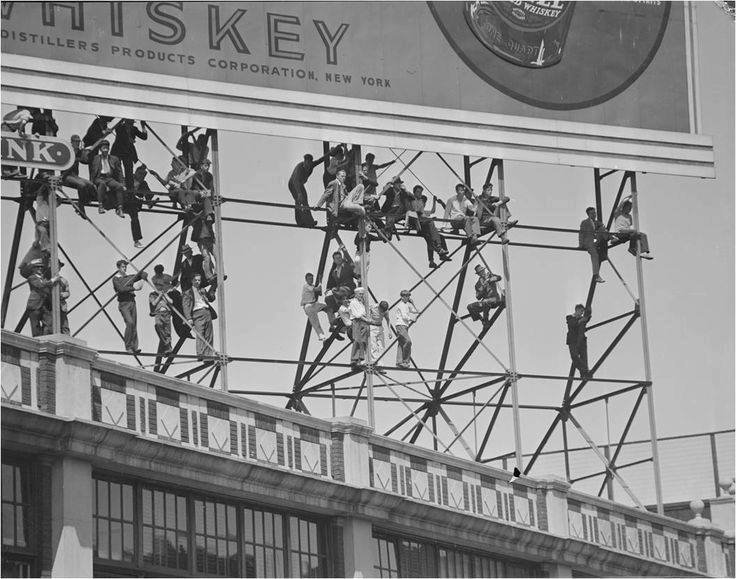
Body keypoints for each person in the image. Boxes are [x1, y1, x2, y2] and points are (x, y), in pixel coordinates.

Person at [406, 185, 450, 267]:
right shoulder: (412, 201)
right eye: (418, 192)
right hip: (419, 224)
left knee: (438, 237)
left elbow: (430, 211)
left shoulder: (421, 204)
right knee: (431, 226)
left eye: (421, 192)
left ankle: (438, 256)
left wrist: (434, 201)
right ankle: (439, 249)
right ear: (414, 192)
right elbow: (415, 212)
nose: (419, 194)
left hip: (425, 226)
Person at [112, 259, 147, 354]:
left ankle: (134, 347)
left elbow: (143, 273)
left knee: (134, 324)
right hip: (124, 304)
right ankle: (128, 346)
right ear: (118, 268)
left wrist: (143, 279)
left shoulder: (129, 277)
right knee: (130, 322)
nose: (125, 268)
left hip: (132, 302)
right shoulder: (116, 279)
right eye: (123, 267)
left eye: (126, 266)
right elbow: (121, 289)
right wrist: (134, 288)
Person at [183, 273, 216, 361]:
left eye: (199, 280)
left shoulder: (202, 290)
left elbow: (211, 298)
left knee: (209, 334)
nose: (197, 282)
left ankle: (208, 356)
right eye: (195, 280)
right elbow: (186, 306)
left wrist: (209, 292)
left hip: (206, 311)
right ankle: (200, 353)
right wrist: (189, 318)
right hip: (197, 312)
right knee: (200, 333)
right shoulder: (188, 292)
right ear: (192, 281)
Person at [324, 245, 358, 329]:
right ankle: (334, 319)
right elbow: (333, 282)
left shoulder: (346, 266)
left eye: (340, 257)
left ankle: (342, 306)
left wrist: (344, 251)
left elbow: (352, 265)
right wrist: (328, 289)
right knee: (328, 298)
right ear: (334, 261)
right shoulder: (334, 272)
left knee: (336, 291)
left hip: (349, 288)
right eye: (337, 258)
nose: (339, 259)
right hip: (340, 290)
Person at [61, 134, 95, 218]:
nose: (77, 143)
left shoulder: (79, 152)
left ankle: (83, 201)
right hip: (66, 175)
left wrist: (88, 152)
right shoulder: (68, 151)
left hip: (75, 176)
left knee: (91, 185)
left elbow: (85, 160)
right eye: (75, 142)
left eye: (78, 142)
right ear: (72, 142)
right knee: (82, 185)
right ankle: (81, 206)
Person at [91, 140, 126, 218]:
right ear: (100, 149)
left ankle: (120, 209)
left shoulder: (114, 159)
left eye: (107, 148)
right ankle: (100, 206)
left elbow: (120, 172)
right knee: (102, 184)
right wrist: (92, 183)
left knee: (119, 187)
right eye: (104, 148)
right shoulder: (96, 158)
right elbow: (93, 171)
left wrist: (122, 184)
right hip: (99, 178)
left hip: (109, 178)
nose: (106, 150)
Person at [25, 259, 61, 337]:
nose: (40, 269)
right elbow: (40, 285)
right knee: (35, 326)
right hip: (34, 306)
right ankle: (37, 342)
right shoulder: (31, 278)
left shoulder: (44, 279)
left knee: (49, 323)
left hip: (44, 305)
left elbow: (46, 287)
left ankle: (45, 339)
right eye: (37, 267)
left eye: (41, 267)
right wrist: (52, 280)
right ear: (33, 269)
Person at [111, 118, 148, 190]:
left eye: (132, 123)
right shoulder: (120, 127)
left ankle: (130, 191)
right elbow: (118, 132)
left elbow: (144, 137)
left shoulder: (134, 129)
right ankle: (116, 187)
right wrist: (129, 139)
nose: (131, 124)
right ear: (126, 121)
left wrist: (143, 126)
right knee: (116, 170)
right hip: (118, 150)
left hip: (128, 152)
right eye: (130, 123)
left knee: (129, 172)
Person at [288, 153, 324, 227]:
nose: (307, 165)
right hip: (293, 185)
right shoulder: (299, 168)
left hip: (300, 184)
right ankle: (301, 222)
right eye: (306, 163)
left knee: (305, 202)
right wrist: (299, 194)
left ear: (311, 163)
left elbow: (320, 160)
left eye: (309, 164)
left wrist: (331, 152)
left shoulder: (311, 165)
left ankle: (309, 221)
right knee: (299, 201)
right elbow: (295, 181)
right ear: (304, 161)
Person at [150, 264, 176, 354]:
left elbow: (171, 302)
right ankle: (166, 344)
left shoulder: (166, 282)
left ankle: (168, 347)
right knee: (158, 325)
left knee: (167, 330)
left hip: (166, 312)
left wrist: (165, 294)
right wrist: (160, 295)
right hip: (158, 313)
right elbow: (153, 303)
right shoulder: (153, 293)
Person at [379, 176, 412, 240]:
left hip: (399, 210)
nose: (399, 185)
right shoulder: (390, 190)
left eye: (400, 183)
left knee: (391, 215)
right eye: (397, 183)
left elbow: (412, 197)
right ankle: (388, 233)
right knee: (390, 217)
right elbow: (384, 191)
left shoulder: (402, 192)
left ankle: (387, 233)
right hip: (390, 209)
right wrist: (389, 183)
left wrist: (406, 191)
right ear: (394, 184)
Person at [301, 272, 331, 341]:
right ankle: (322, 337)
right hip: (308, 306)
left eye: (312, 279)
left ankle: (332, 324)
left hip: (314, 304)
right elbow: (317, 289)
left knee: (328, 307)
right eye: (309, 279)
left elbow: (319, 292)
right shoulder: (306, 286)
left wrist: (319, 285)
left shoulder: (312, 285)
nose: (311, 280)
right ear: (306, 280)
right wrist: (320, 281)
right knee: (316, 323)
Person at [43, 262, 71, 335]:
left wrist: (62, 295)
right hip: (49, 305)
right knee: (48, 325)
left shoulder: (64, 280)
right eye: (56, 266)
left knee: (64, 325)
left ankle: (67, 339)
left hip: (61, 305)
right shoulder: (46, 279)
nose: (58, 268)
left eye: (59, 267)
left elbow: (67, 292)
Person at [579, 207, 605, 283]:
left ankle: (612, 237)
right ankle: (596, 275)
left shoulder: (597, 222)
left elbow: (601, 230)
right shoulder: (585, 222)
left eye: (595, 213)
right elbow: (581, 234)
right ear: (588, 214)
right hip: (588, 242)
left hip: (596, 241)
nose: (594, 214)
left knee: (603, 229)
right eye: (592, 213)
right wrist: (580, 245)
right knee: (595, 255)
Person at [566, 304, 592, 378]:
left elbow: (587, 318)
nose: (581, 313)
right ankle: (585, 370)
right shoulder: (569, 317)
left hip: (582, 340)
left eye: (583, 312)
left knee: (584, 358)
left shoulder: (582, 319)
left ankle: (584, 375)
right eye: (581, 311)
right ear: (576, 310)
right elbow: (572, 324)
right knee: (574, 357)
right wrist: (581, 321)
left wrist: (589, 312)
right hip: (573, 341)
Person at [348, 287, 371, 369]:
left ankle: (360, 359)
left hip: (363, 322)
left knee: (363, 341)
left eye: (362, 294)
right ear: (356, 294)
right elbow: (358, 315)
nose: (361, 295)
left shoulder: (361, 303)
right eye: (360, 294)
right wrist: (368, 320)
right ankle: (354, 359)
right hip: (357, 321)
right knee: (357, 340)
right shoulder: (353, 302)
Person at [394, 289, 419, 368]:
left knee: (401, 344)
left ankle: (399, 362)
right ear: (402, 297)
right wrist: (412, 319)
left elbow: (416, 311)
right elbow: (404, 316)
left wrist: (413, 303)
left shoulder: (407, 305)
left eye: (408, 296)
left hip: (405, 326)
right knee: (408, 342)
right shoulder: (401, 305)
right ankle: (405, 361)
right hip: (400, 325)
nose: (407, 297)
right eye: (406, 296)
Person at [369, 300, 392, 367]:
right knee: (373, 345)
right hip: (372, 326)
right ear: (379, 307)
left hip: (380, 327)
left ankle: (380, 363)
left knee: (381, 345)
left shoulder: (385, 311)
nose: (382, 312)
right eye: (381, 310)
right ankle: (374, 361)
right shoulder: (373, 307)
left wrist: (389, 331)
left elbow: (388, 320)